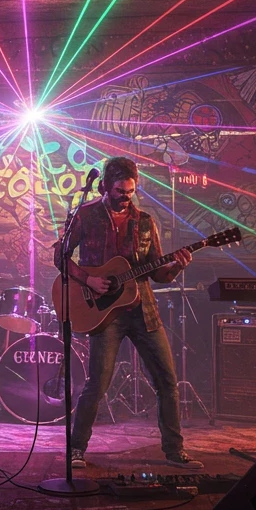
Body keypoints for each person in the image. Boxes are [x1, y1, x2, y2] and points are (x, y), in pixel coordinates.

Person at [54, 156, 198, 468]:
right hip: (104, 312)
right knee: (97, 383)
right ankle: (76, 449)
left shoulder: (145, 221)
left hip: (142, 309)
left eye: (131, 191)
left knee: (167, 381)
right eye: (120, 190)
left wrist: (174, 268)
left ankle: (174, 451)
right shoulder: (86, 215)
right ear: (105, 186)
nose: (126, 196)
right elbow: (60, 257)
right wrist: (89, 279)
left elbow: (157, 271)